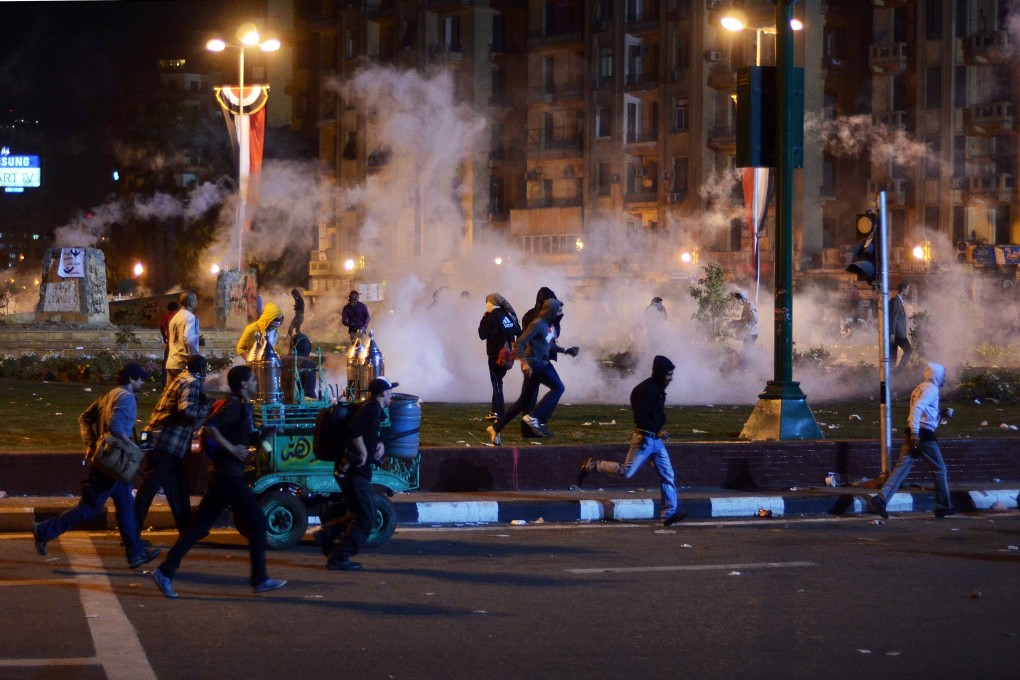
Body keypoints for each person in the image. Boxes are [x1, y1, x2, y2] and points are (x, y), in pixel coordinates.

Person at [150, 365, 287, 598]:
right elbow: (210, 427)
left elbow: (244, 435)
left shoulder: (243, 407)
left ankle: (165, 571)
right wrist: (232, 449)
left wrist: (267, 433)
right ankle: (260, 578)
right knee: (257, 522)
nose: (256, 384)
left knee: (198, 529)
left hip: (222, 476)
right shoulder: (234, 406)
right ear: (243, 384)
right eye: (253, 380)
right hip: (227, 476)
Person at [32, 364, 161, 568]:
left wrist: (91, 444)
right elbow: (116, 428)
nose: (142, 383)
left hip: (109, 462)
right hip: (113, 464)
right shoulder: (126, 398)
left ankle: (135, 552)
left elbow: (85, 418)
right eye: (140, 379)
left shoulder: (109, 395)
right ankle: (44, 531)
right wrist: (133, 448)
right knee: (90, 509)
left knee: (126, 507)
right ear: (131, 379)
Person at [577, 356, 688, 526]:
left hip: (655, 441)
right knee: (627, 472)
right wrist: (653, 430)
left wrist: (659, 431)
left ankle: (668, 514)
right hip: (643, 439)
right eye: (668, 375)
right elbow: (641, 416)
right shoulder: (647, 390)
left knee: (668, 475)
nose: (671, 379)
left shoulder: (657, 389)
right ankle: (593, 464)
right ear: (660, 374)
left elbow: (655, 416)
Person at [314, 376, 397, 571]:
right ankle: (339, 557)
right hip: (354, 472)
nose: (392, 394)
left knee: (359, 513)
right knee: (366, 518)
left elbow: (367, 432)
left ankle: (327, 534)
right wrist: (363, 451)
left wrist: (378, 444)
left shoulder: (372, 409)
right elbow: (355, 429)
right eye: (390, 391)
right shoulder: (370, 408)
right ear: (383, 393)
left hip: (352, 471)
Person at [869, 362, 957, 520]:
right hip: (923, 434)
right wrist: (916, 432)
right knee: (940, 469)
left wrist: (939, 414)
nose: (944, 377)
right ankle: (943, 506)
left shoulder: (920, 387)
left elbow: (923, 411)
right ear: (937, 375)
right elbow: (917, 408)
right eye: (943, 374)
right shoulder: (931, 389)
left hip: (913, 431)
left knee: (901, 469)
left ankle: (881, 499)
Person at [134, 355, 210, 536]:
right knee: (149, 489)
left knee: (177, 485)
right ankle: (132, 531)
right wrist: (206, 409)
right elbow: (187, 409)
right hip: (167, 443)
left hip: (163, 441)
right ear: (201, 369)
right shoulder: (192, 382)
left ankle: (185, 528)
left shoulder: (181, 378)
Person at [487, 297, 578, 443]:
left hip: (541, 363)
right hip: (535, 364)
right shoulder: (537, 324)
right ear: (551, 310)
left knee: (523, 401)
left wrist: (566, 350)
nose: (560, 314)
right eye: (558, 311)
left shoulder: (549, 326)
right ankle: (536, 418)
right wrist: (524, 363)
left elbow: (549, 345)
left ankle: (496, 428)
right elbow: (519, 343)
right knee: (558, 387)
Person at [477, 293, 522, 422]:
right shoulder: (507, 316)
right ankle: (496, 410)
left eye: (487, 302)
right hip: (507, 355)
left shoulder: (491, 317)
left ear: (491, 303)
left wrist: (483, 319)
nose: (486, 305)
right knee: (498, 382)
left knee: (496, 383)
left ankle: (498, 411)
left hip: (495, 355)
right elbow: (517, 331)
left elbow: (482, 335)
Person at [166, 292, 200, 383]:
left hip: (172, 361)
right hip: (182, 363)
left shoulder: (175, 317)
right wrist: (195, 358)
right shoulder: (190, 318)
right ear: (192, 303)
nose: (197, 302)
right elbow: (189, 339)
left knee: (170, 395)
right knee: (185, 395)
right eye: (196, 300)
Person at [890, 281, 912, 367]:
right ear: (903, 289)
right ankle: (898, 371)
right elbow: (893, 317)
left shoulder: (899, 301)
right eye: (907, 289)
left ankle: (892, 373)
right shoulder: (897, 301)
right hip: (898, 333)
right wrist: (892, 333)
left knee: (893, 355)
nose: (908, 291)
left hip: (897, 332)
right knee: (908, 350)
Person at [159, 301, 180, 386]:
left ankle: (165, 383)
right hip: (180, 344)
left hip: (170, 344)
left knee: (166, 363)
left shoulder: (166, 316)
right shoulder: (181, 316)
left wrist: (164, 336)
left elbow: (162, 326)